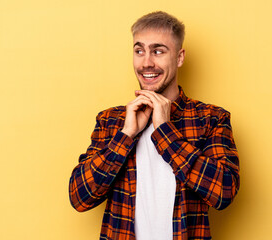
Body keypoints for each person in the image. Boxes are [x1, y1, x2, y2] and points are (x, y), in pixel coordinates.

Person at [69, 11, 240, 240]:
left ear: (179, 58)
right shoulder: (111, 121)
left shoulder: (210, 118)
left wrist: (165, 133)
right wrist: (127, 135)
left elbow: (224, 191)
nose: (147, 63)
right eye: (139, 51)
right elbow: (79, 197)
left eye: (158, 51)